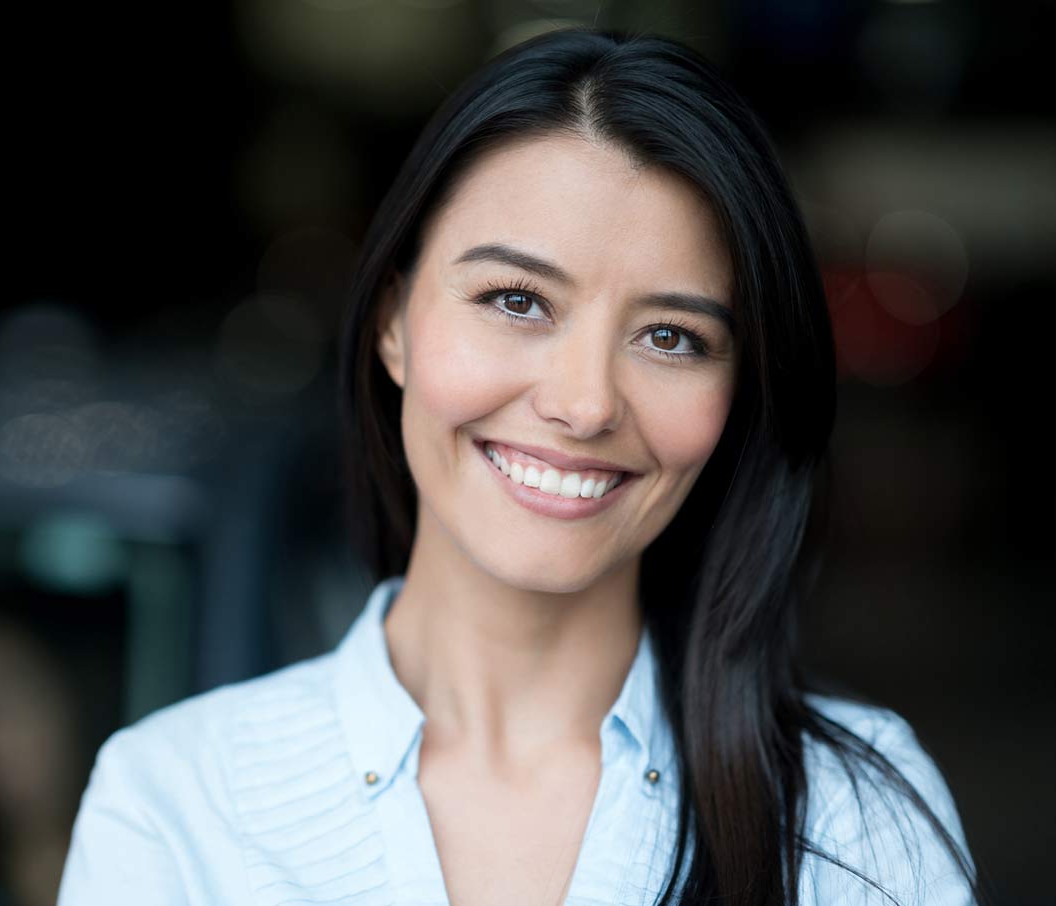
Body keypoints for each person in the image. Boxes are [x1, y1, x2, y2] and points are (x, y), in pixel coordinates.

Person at [57, 26, 986, 906]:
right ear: (391, 321)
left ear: (739, 388)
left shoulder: (853, 817)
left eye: (671, 336)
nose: (584, 404)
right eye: (516, 300)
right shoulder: (174, 805)